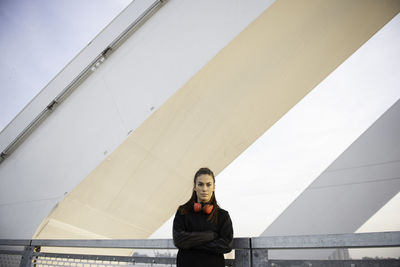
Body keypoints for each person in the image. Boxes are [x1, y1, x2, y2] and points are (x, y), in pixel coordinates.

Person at [173, 167, 233, 267]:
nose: (204, 189)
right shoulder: (183, 211)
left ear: (213, 187)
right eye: (200, 184)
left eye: (208, 185)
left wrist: (191, 243)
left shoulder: (223, 215)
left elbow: (226, 245)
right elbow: (178, 240)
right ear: (195, 187)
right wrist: (210, 236)